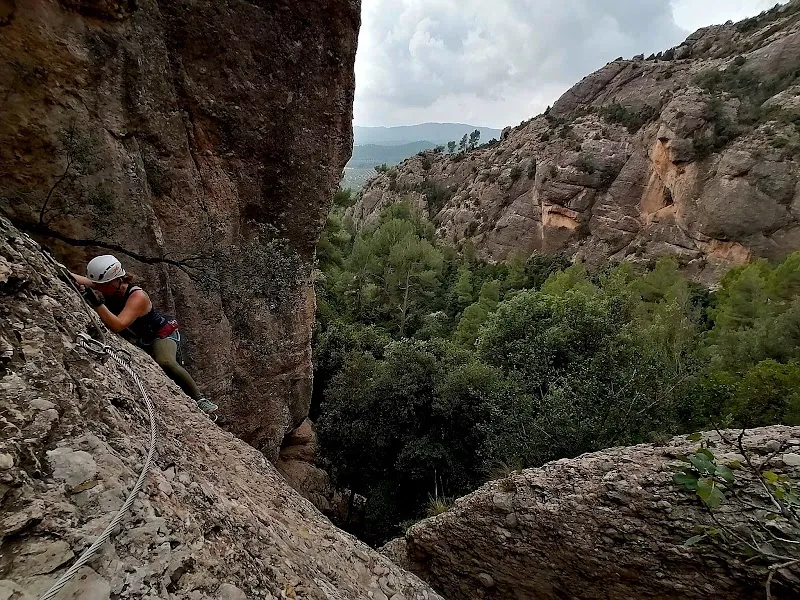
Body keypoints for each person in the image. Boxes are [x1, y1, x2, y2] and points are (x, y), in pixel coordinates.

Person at [71, 254, 218, 414]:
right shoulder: (107, 283)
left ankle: (200, 399)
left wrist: (97, 304)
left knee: (166, 361)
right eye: (99, 285)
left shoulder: (137, 297)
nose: (100, 288)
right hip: (140, 336)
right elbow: (77, 278)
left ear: (117, 280)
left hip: (160, 334)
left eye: (104, 284)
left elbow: (118, 325)